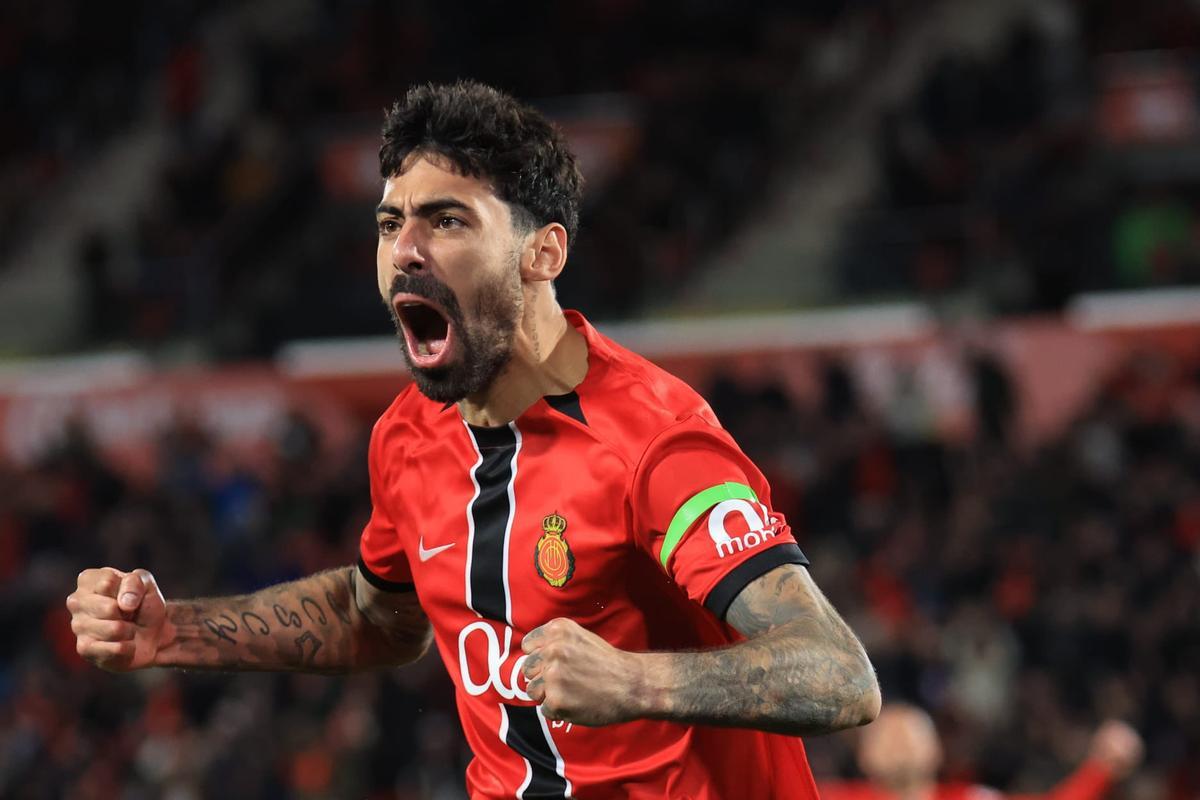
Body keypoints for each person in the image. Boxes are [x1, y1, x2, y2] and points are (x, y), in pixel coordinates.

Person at [66, 80, 881, 799]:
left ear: (543, 252)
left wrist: (638, 681)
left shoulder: (654, 443)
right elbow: (378, 620)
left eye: (447, 220)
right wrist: (174, 632)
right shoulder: (406, 437)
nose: (405, 252)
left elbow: (839, 673)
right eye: (391, 224)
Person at [820, 704, 1144, 800]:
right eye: (888, 736)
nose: (899, 741)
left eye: (909, 734)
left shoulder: (970, 799)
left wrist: (1102, 766)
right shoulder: (828, 797)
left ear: (937, 751)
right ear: (864, 756)